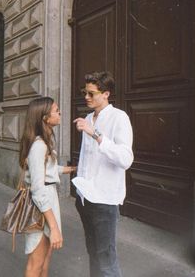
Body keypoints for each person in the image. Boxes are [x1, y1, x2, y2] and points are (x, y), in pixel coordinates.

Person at [72, 71, 134, 277]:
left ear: (106, 94)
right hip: (85, 198)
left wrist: (95, 134)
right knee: (93, 254)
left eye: (91, 93)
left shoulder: (119, 118)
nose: (86, 97)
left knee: (106, 259)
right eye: (85, 92)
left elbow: (126, 159)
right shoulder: (89, 117)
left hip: (105, 200)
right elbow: (87, 158)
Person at [19, 96, 76, 277]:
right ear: (45, 117)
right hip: (41, 205)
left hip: (47, 201)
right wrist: (54, 227)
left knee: (45, 259)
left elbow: (47, 169)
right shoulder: (39, 146)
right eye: (56, 110)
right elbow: (38, 190)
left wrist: (70, 169)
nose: (60, 113)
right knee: (36, 263)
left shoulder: (44, 143)